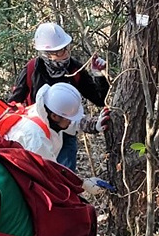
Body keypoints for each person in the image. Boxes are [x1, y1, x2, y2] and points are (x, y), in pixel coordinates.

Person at [9, 22, 109, 171]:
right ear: (46, 54)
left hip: (65, 131)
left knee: (65, 177)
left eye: (66, 49)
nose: (66, 54)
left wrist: (98, 75)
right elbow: (12, 105)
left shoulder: (74, 69)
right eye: (60, 51)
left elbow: (100, 99)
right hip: (38, 132)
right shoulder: (31, 70)